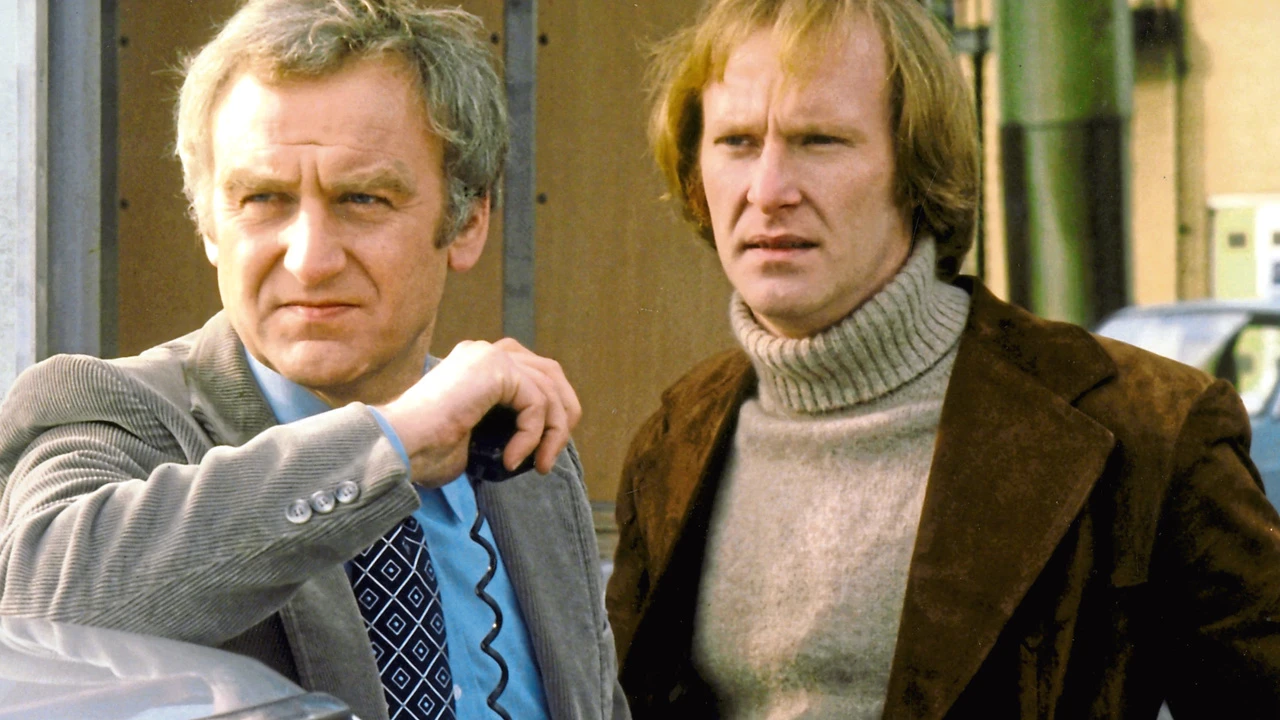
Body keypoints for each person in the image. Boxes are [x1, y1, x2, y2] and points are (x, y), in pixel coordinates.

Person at [605, 0, 1280, 717]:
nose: (768, 191)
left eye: (819, 141)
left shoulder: (1146, 432)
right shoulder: (674, 443)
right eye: (737, 142)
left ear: (916, 168)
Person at [0, 2, 627, 719]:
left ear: (468, 219)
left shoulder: (523, 451)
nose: (310, 259)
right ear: (209, 224)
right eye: (263, 198)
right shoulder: (108, 408)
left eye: (362, 198)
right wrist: (390, 443)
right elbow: (36, 612)